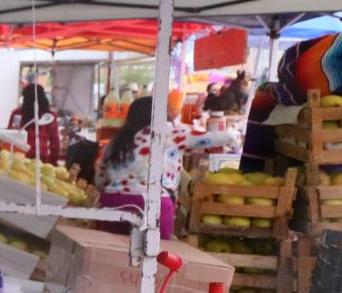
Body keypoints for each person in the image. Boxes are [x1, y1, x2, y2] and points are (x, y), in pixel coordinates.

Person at [98, 96, 237, 238]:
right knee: (153, 256)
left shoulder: (117, 141)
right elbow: (216, 137)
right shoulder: (170, 133)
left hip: (112, 201)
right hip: (152, 203)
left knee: (110, 254)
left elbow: (100, 179)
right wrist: (233, 135)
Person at [7, 83, 62, 165]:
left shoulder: (17, 113)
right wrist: (53, 160)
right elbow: (55, 141)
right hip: (41, 158)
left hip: (19, 157)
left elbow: (10, 136)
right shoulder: (49, 115)